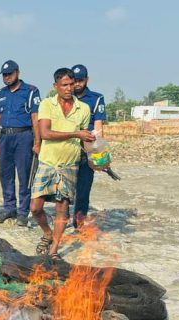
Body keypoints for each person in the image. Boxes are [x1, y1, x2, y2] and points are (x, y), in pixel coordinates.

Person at [30, 68, 94, 261]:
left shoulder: (83, 108)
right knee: (35, 207)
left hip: (69, 164)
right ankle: (47, 233)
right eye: (64, 85)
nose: (68, 88)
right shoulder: (47, 104)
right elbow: (46, 133)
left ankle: (54, 249)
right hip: (48, 162)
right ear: (55, 86)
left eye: (71, 84)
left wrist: (96, 157)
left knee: (62, 207)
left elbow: (85, 139)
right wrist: (76, 134)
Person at [0, 60, 41, 226]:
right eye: (4, 75)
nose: (7, 77)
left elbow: (35, 118)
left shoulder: (30, 91)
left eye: (10, 74)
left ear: (17, 72)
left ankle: (23, 211)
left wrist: (37, 141)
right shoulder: (0, 94)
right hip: (5, 137)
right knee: (6, 175)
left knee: (24, 175)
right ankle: (9, 208)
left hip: (24, 137)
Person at [71, 64, 107, 229]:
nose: (77, 84)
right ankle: (61, 220)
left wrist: (99, 154)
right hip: (68, 148)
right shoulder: (65, 97)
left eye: (80, 80)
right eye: (74, 80)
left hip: (87, 150)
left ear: (87, 79)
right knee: (64, 188)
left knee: (83, 189)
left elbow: (99, 127)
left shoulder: (96, 98)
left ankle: (78, 222)